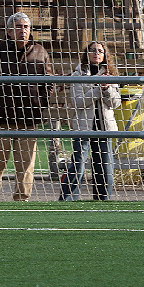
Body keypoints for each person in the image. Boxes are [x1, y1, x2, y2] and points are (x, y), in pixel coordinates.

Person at [0, 12, 53, 201]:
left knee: (26, 166)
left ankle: (22, 200)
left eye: (26, 27)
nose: (23, 30)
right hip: (0, 119)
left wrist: (39, 105)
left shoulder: (40, 52)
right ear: (9, 31)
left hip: (29, 119)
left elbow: (49, 82)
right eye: (18, 27)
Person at [60, 41, 122, 201]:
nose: (96, 53)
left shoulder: (110, 76)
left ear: (105, 55)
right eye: (93, 50)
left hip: (104, 128)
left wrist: (106, 89)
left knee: (105, 166)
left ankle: (103, 199)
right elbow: (78, 102)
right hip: (83, 127)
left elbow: (115, 103)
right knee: (78, 164)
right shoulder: (77, 75)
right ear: (86, 53)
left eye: (100, 51)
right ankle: (68, 199)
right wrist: (97, 89)